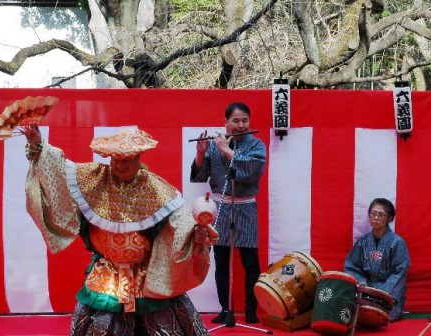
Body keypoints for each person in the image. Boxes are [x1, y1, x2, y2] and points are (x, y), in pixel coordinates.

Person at [23, 125, 217, 335]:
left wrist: (195, 232)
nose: (119, 165)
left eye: (126, 160)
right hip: (107, 274)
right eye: (115, 159)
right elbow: (59, 171)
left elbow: (180, 221)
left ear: (138, 158)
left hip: (147, 276)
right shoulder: (95, 177)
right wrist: (37, 144)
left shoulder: (156, 188)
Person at [190, 102, 267, 324]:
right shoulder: (214, 145)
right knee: (221, 260)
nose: (241, 125)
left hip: (245, 206)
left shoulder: (256, 145)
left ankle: (251, 308)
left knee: (250, 261)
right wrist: (201, 153)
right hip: (220, 206)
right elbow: (199, 177)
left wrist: (226, 150)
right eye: (236, 121)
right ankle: (225, 308)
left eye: (245, 120)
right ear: (226, 122)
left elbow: (252, 172)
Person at [343, 198, 410, 322]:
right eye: (373, 214)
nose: (376, 218)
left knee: (382, 316)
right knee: (354, 312)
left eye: (381, 214)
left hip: (388, 295)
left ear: (389, 218)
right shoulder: (363, 242)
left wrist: (382, 293)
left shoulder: (397, 242)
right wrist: (363, 284)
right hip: (366, 289)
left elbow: (400, 271)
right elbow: (350, 266)